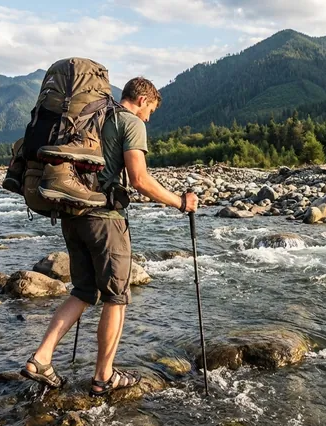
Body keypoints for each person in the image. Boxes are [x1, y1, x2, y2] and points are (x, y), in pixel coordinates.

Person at [20, 77, 199, 396]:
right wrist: (180, 202)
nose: (149, 118)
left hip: (71, 214)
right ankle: (103, 377)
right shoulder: (129, 121)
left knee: (84, 291)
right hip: (104, 218)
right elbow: (140, 179)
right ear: (143, 100)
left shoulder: (90, 117)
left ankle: (41, 358)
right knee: (117, 296)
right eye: (151, 110)